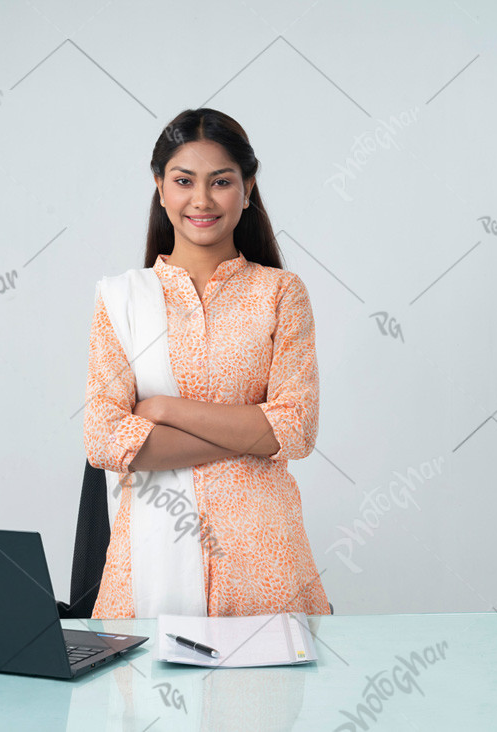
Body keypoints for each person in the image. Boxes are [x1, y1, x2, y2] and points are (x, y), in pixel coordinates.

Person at [83, 108, 330, 618]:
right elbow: (106, 440)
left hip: (265, 565)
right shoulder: (122, 299)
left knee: (270, 697)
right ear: (159, 185)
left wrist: (164, 410)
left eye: (221, 182)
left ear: (248, 186)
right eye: (183, 181)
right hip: (147, 566)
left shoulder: (279, 294)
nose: (201, 200)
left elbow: (297, 430)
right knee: (144, 695)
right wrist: (251, 437)